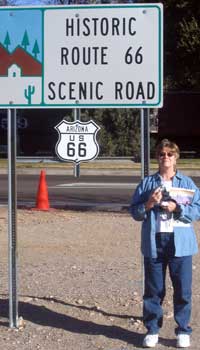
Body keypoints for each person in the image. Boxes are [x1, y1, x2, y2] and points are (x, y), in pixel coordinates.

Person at [130, 139, 200, 348]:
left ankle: (183, 329)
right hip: (155, 241)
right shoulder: (147, 184)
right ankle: (152, 329)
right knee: (153, 289)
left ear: (176, 157)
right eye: (162, 154)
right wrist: (149, 203)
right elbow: (135, 212)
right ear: (157, 157)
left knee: (182, 289)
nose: (166, 157)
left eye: (170, 154)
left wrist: (177, 209)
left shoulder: (186, 183)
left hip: (180, 243)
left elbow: (197, 210)